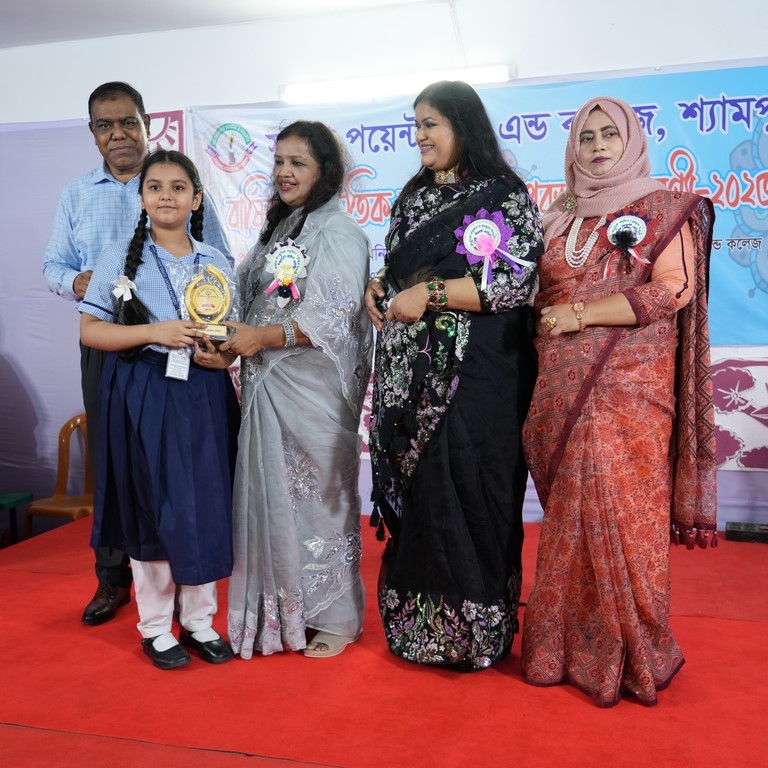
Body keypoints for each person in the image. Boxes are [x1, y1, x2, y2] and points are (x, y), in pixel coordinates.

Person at [520, 96, 717, 707]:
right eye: (587, 136)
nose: (599, 145)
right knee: (569, 520)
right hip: (559, 388)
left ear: (631, 142)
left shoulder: (664, 209)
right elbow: (532, 295)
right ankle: (561, 649)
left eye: (610, 134)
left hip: (629, 392)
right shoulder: (557, 217)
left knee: (624, 520)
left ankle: (630, 650)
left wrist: (581, 316)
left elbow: (673, 290)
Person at [364, 81, 542, 670]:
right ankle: (419, 630)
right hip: (411, 376)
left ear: (462, 125)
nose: (419, 136)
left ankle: (476, 632)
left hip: (479, 374)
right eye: (415, 124)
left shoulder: (504, 195)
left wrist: (431, 294)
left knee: (473, 485)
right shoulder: (412, 196)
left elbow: (514, 280)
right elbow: (400, 269)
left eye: (430, 124)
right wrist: (380, 287)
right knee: (424, 495)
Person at [43, 82, 232, 626]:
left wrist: (219, 344)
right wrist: (83, 284)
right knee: (118, 463)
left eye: (128, 122)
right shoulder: (78, 194)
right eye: (105, 126)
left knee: (191, 471)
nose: (118, 134)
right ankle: (114, 580)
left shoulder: (175, 182)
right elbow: (54, 266)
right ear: (93, 133)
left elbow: (218, 274)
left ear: (148, 125)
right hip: (113, 342)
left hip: (189, 356)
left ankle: (192, 591)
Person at [79, 149, 240, 669]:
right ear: (142, 198)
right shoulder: (119, 258)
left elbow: (230, 335)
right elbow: (91, 331)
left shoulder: (215, 261)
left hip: (205, 390)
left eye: (178, 187)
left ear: (197, 198)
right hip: (143, 388)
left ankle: (198, 621)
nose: (166, 195)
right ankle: (154, 626)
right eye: (155, 187)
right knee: (151, 503)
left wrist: (222, 358)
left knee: (205, 501)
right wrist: (156, 331)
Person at [223, 121, 372, 659]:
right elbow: (251, 301)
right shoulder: (281, 229)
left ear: (324, 171)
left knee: (319, 503)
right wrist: (225, 340)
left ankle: (336, 617)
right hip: (266, 384)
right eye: (280, 161)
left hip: (312, 392)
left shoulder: (338, 231)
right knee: (273, 503)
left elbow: (335, 316)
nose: (284, 172)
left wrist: (262, 338)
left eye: (298, 163)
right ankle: (286, 612)